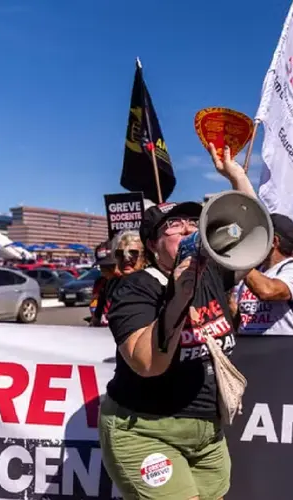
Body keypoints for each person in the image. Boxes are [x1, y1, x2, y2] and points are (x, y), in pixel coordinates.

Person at [99, 143, 251, 500]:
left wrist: (236, 176)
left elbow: (253, 233)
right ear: (152, 245)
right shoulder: (134, 289)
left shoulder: (213, 273)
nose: (186, 229)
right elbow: (148, 363)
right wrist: (180, 294)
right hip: (147, 430)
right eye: (173, 225)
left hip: (206, 434)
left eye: (191, 222)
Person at [234, 213, 293, 336]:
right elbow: (238, 317)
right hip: (248, 350)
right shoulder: (252, 272)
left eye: (258, 237)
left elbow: (267, 291)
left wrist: (240, 257)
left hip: (284, 352)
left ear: (274, 241)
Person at [91, 230, 146, 327]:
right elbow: (96, 320)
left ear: (145, 258)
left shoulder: (153, 286)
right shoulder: (109, 285)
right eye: (120, 254)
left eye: (133, 254)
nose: (126, 259)